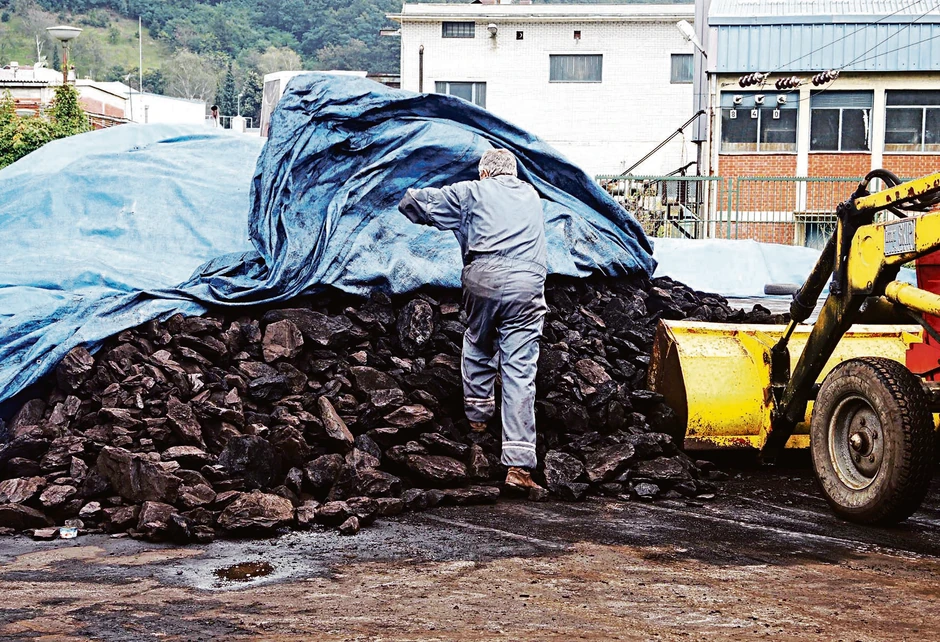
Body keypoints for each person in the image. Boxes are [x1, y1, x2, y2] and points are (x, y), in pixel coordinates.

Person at [398, 149, 547, 491]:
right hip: (528, 283)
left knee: (479, 343)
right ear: (514, 173)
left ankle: (478, 420)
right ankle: (519, 467)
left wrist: (402, 191)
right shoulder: (531, 195)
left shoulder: (472, 192)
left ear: (484, 174)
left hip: (484, 278)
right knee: (520, 370)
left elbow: (418, 204)